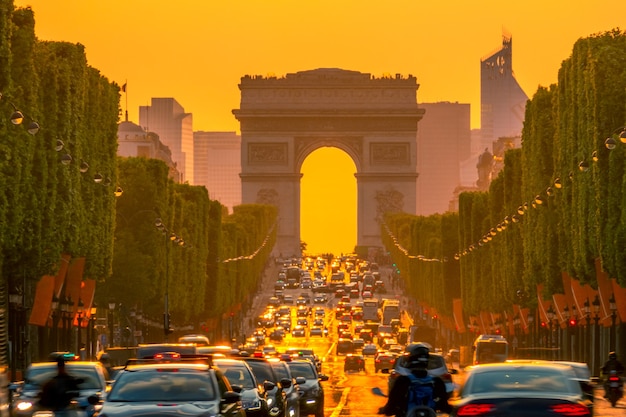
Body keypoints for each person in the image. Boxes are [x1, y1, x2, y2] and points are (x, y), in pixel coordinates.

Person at [378, 343, 451, 417]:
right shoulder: (437, 381)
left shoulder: (402, 381)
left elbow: (392, 402)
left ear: (411, 361)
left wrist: (386, 410)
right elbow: (444, 405)